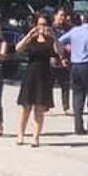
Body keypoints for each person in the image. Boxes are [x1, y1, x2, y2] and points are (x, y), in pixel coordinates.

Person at [56, 11, 88, 135]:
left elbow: (59, 41)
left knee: (77, 96)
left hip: (75, 65)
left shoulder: (74, 31)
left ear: (83, 19)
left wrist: (64, 52)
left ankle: (78, 127)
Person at [15, 12, 55, 147]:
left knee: (39, 108)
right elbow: (18, 49)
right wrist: (28, 36)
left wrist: (54, 37)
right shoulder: (31, 38)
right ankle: (20, 134)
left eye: (44, 24)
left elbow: (60, 52)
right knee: (26, 107)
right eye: (39, 24)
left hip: (44, 75)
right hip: (30, 74)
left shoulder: (51, 40)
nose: (41, 27)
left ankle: (35, 137)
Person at [50, 7, 73, 114]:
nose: (62, 18)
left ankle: (66, 107)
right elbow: (52, 43)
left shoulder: (68, 28)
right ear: (55, 16)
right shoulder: (51, 29)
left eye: (64, 16)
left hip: (66, 60)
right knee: (49, 84)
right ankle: (47, 106)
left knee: (65, 84)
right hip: (52, 58)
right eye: (60, 15)